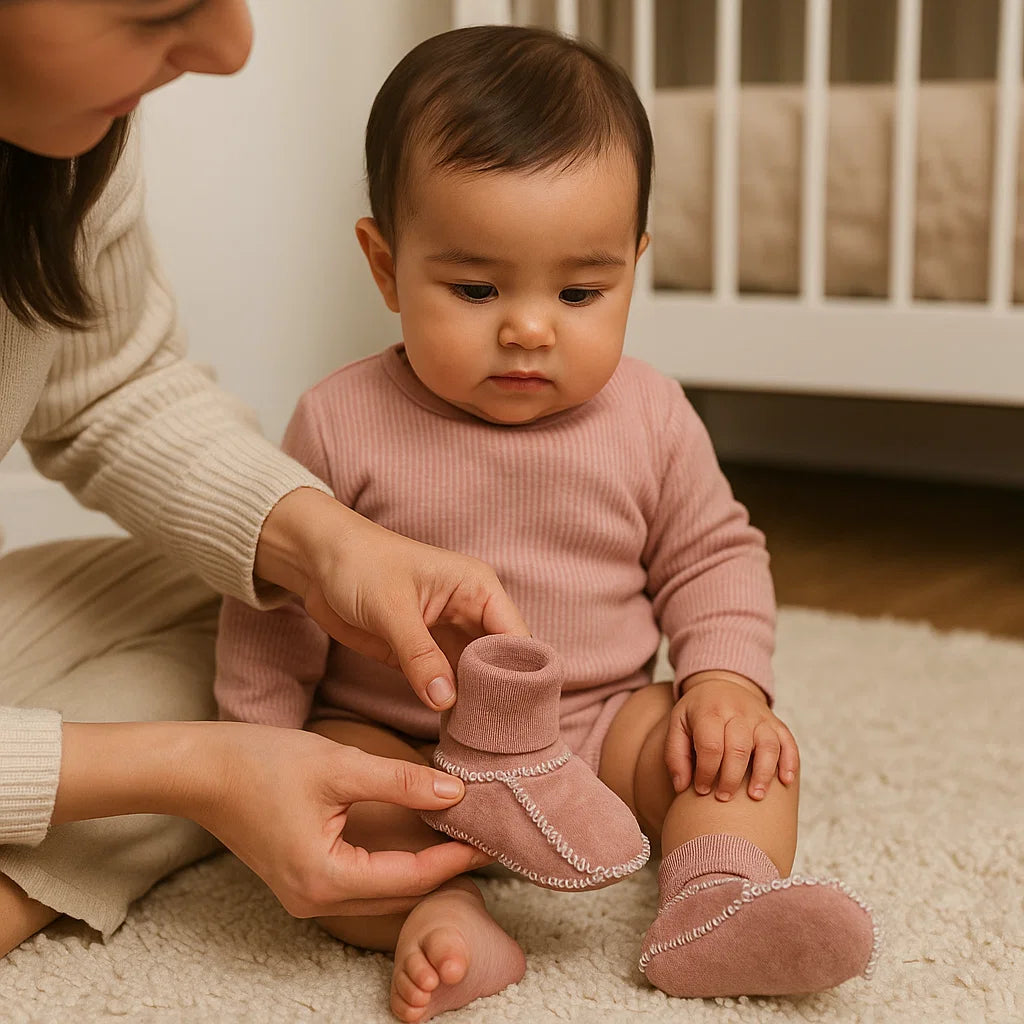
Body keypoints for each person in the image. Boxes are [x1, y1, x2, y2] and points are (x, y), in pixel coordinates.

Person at [215, 24, 880, 1024]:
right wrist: (256, 750)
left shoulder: (650, 414)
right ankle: (439, 920)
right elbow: (276, 594)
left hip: (599, 723)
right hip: (407, 735)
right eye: (476, 288)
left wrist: (725, 683)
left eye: (580, 291)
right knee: (342, 816)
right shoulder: (340, 418)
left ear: (634, 266)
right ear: (386, 265)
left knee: (744, 758)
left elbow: (713, 555)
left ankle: (717, 895)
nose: (529, 326)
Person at [0, 1, 532, 960]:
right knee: (244, 708)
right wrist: (197, 769)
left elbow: (107, 384)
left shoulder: (60, 138)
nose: (231, 51)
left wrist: (322, 544)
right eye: (159, 10)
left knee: (260, 620)